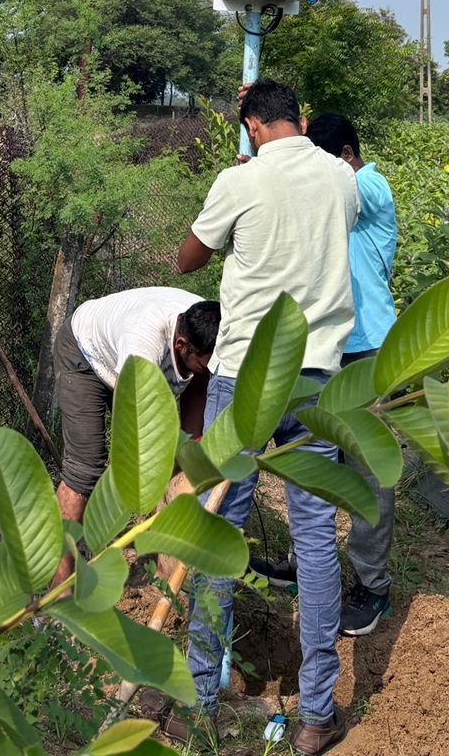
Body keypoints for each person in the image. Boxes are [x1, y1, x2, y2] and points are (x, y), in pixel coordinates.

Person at [153, 79, 360, 755]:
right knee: (316, 540)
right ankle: (315, 716)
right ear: (299, 119)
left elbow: (188, 258)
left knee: (217, 533)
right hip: (316, 380)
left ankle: (196, 705)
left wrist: (238, 190)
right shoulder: (341, 178)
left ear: (249, 126)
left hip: (242, 377)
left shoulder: (238, 182)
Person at [252, 113, 399, 637]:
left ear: (344, 154)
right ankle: (306, 562)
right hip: (323, 345)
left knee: (366, 472)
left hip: (365, 349)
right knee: (313, 462)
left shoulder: (368, 184)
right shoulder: (328, 188)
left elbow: (346, 188)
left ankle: (372, 587)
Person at [51, 287, 220, 582]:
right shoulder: (143, 343)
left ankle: (159, 569)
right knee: (85, 468)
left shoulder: (207, 326)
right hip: (86, 354)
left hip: (130, 362)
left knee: (183, 456)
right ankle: (58, 586)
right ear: (180, 345)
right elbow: (135, 431)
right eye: (203, 364)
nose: (206, 370)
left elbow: (190, 437)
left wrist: (191, 455)